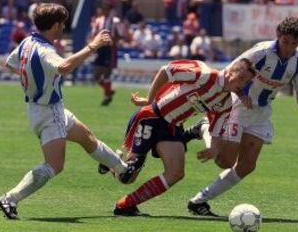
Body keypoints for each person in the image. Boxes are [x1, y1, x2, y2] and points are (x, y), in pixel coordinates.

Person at [0, 3, 135, 220]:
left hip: (47, 109)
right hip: (48, 112)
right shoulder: (45, 50)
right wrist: (93, 46)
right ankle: (10, 198)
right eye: (62, 24)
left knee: (87, 138)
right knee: (55, 165)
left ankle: (122, 169)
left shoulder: (27, 42)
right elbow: (64, 67)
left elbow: (10, 64)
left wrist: (34, 77)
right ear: (55, 25)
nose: (64, 28)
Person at [184, 17, 298, 216]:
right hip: (238, 106)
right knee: (225, 162)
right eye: (285, 41)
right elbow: (231, 72)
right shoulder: (260, 52)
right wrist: (242, 94)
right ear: (279, 36)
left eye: (294, 43)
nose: (288, 47)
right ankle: (203, 127)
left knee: (247, 165)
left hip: (261, 112)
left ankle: (198, 201)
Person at [107, 58, 256, 216]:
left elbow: (216, 131)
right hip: (152, 117)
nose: (242, 85)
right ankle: (112, 160)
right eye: (241, 78)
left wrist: (213, 148)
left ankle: (126, 205)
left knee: (176, 173)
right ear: (230, 70)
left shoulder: (226, 103)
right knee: (127, 176)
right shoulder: (205, 75)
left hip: (173, 128)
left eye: (246, 82)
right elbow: (166, 70)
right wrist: (149, 99)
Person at [89, 4, 122, 106]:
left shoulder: (115, 21)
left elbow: (119, 35)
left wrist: (112, 41)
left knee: (107, 73)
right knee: (96, 76)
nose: (105, 11)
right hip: (100, 49)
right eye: (103, 9)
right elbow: (93, 34)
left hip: (109, 48)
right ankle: (109, 90)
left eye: (107, 9)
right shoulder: (98, 21)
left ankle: (106, 97)